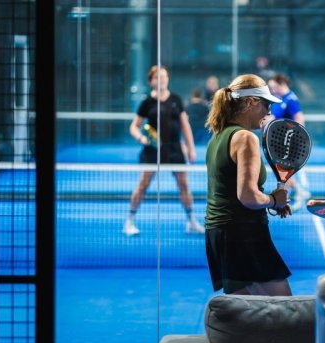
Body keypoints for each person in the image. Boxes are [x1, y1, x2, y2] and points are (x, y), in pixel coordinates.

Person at [203, 74, 293, 295]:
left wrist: (271, 202)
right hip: (243, 234)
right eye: (266, 104)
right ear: (250, 102)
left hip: (218, 234)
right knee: (286, 309)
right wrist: (274, 200)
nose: (268, 112)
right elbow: (248, 196)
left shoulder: (217, 137)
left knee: (244, 312)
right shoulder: (245, 138)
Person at [125, 65, 203, 236]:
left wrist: (191, 149)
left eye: (164, 76)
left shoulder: (176, 99)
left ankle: (191, 221)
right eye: (157, 77)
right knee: (143, 185)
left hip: (175, 150)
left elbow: (185, 126)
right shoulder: (147, 103)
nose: (161, 80)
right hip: (152, 151)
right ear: (150, 81)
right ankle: (129, 221)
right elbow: (134, 127)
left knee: (184, 185)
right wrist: (141, 138)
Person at [266, 72, 311, 209]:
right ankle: (285, 199)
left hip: (289, 143)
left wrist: (298, 139)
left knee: (283, 171)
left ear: (282, 84)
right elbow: (273, 117)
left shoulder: (291, 99)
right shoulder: (279, 99)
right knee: (282, 172)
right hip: (279, 143)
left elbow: (300, 119)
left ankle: (299, 192)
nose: (272, 90)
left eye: (273, 87)